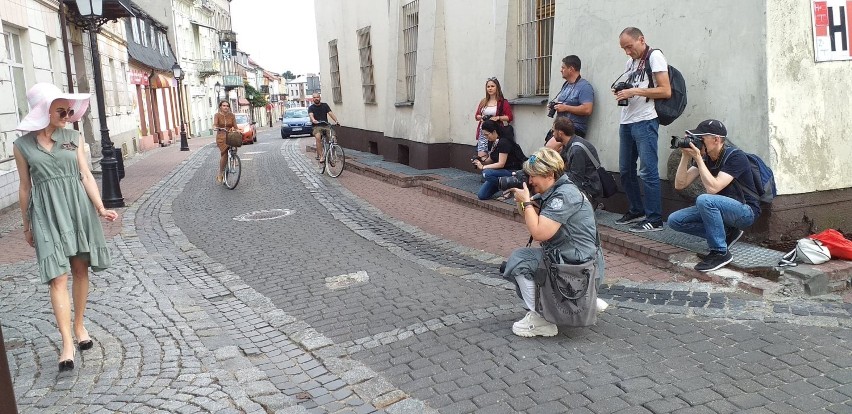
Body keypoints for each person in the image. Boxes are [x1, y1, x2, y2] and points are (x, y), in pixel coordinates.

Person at [13, 83, 119, 371]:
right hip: (46, 213)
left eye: (71, 110)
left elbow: (84, 174)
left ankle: (80, 325)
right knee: (57, 278)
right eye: (62, 110)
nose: (69, 114)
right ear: (43, 110)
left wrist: (100, 207)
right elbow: (25, 187)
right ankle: (66, 343)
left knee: (80, 268)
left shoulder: (73, 137)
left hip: (76, 207)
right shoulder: (21, 145)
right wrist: (26, 225)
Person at [501, 148, 605, 337]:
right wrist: (523, 201)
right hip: (579, 262)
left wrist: (526, 203)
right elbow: (533, 217)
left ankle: (542, 319)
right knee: (527, 259)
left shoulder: (564, 196)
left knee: (519, 260)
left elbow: (540, 232)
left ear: (549, 174)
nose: (530, 181)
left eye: (533, 177)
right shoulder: (556, 190)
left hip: (580, 268)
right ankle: (582, 300)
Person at [668, 120, 759, 272]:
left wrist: (697, 158)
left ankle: (720, 252)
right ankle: (727, 233)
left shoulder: (736, 157)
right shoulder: (706, 158)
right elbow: (680, 184)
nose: (698, 142)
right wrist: (685, 156)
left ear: (716, 139)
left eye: (700, 138)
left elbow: (713, 188)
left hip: (745, 211)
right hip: (723, 210)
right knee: (675, 220)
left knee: (704, 199)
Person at [613, 27, 671, 232]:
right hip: (627, 120)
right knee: (626, 170)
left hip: (646, 120)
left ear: (641, 40)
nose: (627, 52)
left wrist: (634, 90)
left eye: (629, 47)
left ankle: (654, 219)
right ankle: (636, 210)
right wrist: (622, 92)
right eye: (624, 49)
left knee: (648, 171)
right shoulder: (630, 62)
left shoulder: (655, 56)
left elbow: (665, 90)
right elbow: (633, 88)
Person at [545, 117, 602, 203]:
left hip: (588, 188)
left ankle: (588, 202)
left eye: (553, 131)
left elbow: (576, 179)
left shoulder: (577, 150)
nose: (552, 134)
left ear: (560, 133)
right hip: (582, 183)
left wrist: (555, 176)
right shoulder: (569, 144)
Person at [472, 120, 525, 200]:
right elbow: (490, 159)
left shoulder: (504, 142)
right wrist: (479, 160)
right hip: (500, 173)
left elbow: (501, 164)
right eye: (484, 135)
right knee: (482, 195)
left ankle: (509, 187)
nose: (486, 137)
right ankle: (504, 185)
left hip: (512, 171)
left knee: (487, 173)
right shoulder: (493, 142)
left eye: (487, 135)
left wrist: (482, 167)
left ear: (494, 131)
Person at [548, 55, 594, 137]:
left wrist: (566, 108)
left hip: (574, 129)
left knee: (550, 148)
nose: (560, 70)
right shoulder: (566, 85)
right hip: (559, 127)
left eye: (563, 68)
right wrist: (555, 105)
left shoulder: (585, 86)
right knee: (546, 149)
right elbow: (564, 103)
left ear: (571, 69)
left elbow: (587, 109)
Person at [474, 77, 513, 161]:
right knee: (481, 156)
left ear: (497, 87)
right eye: (488, 87)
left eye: (492, 86)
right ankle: (484, 172)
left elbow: (509, 117)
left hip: (495, 132)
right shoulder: (483, 101)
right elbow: (477, 116)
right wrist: (481, 117)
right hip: (483, 132)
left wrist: (498, 118)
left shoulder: (502, 102)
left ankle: (490, 172)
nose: (490, 88)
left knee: (493, 156)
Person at [308, 93, 339, 163]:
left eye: (317, 97)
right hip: (317, 126)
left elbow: (330, 113)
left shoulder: (325, 105)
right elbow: (311, 115)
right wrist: (313, 120)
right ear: (313, 99)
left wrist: (336, 121)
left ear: (320, 98)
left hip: (326, 125)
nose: (316, 99)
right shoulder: (311, 108)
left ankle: (332, 154)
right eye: (314, 97)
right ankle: (321, 156)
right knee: (318, 138)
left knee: (333, 137)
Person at [213, 100, 237, 183]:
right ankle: (220, 173)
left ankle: (234, 158)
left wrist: (235, 128)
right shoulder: (217, 115)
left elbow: (235, 126)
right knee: (224, 154)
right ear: (220, 107)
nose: (226, 107)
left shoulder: (232, 115)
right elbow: (215, 124)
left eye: (227, 106)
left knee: (236, 140)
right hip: (221, 136)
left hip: (229, 134)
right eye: (224, 105)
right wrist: (216, 127)